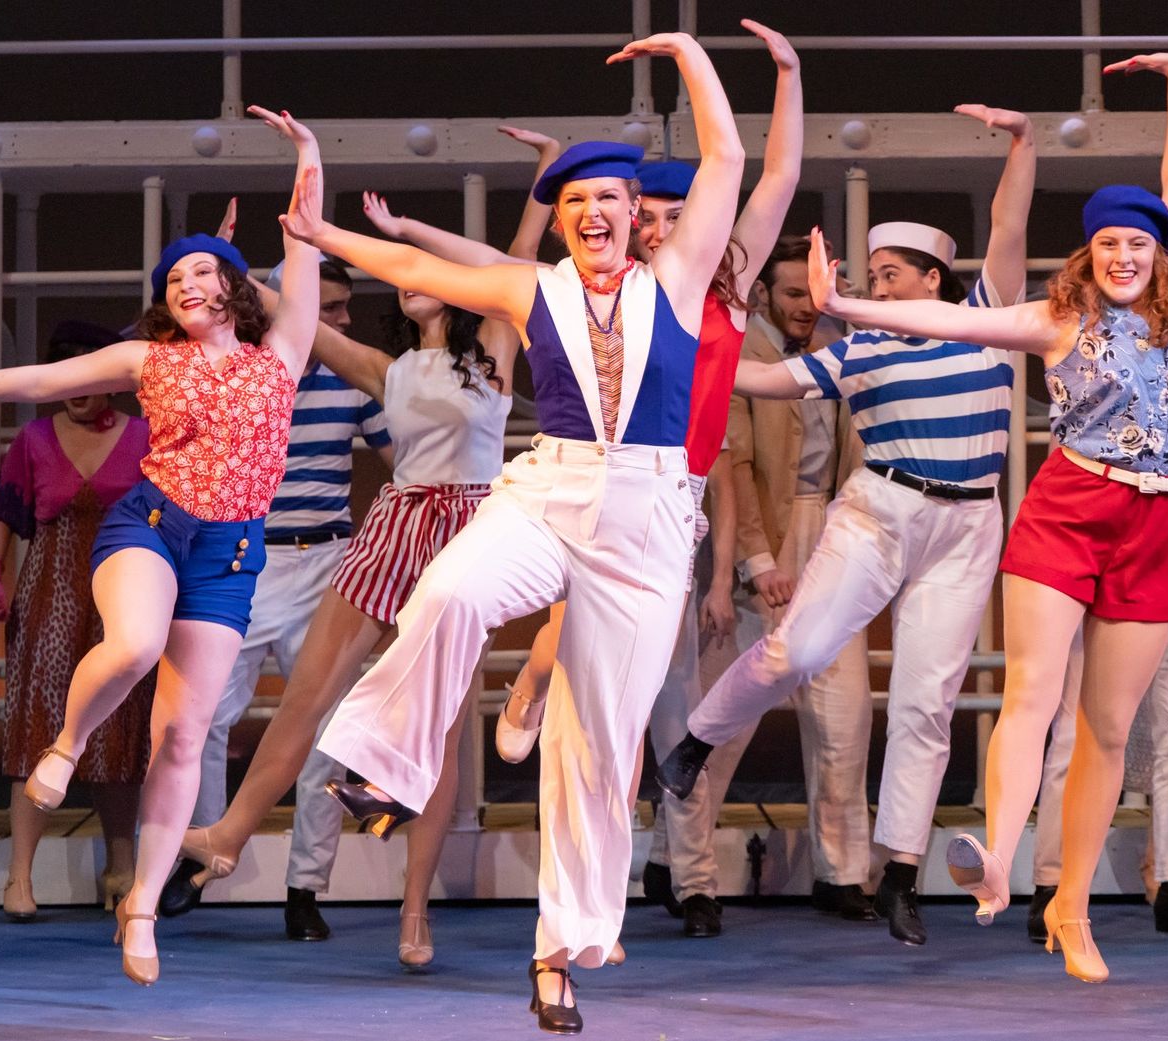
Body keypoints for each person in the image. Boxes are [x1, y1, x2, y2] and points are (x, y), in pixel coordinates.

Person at [297, 30, 742, 1034]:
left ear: (636, 216)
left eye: (608, 199)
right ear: (566, 219)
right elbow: (413, 261)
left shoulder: (677, 280)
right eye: (575, 201)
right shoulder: (531, 287)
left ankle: (557, 957)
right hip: (552, 488)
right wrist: (323, 234)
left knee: (600, 747)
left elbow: (728, 158)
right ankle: (389, 767)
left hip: (649, 515)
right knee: (449, 590)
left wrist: (686, 53)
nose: (591, 213)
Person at [782, 54, 1168, 982]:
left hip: (1157, 527)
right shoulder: (1057, 318)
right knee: (1032, 693)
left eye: (1139, 244)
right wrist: (841, 304)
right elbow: (948, 322)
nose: (1125, 256)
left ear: (1159, 252)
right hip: (1069, 510)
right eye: (1108, 244)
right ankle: (997, 864)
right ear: (1090, 254)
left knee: (1108, 728)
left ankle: (1071, 907)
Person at [0, 106, 321, 985]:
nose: (187, 283)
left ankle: (142, 903)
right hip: (148, 525)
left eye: (203, 270)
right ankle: (67, 744)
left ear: (233, 288)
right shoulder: (149, 360)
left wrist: (306, 151)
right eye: (174, 276)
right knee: (135, 643)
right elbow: (42, 379)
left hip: (230, 555)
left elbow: (303, 243)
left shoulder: (282, 355)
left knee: (183, 736)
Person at [658, 99, 1036, 948]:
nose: (877, 287)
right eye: (871, 275)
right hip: (878, 511)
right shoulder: (861, 347)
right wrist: (685, 351)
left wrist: (1024, 144)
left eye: (891, 274)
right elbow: (766, 383)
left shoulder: (986, 323)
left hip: (968, 523)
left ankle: (899, 872)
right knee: (796, 650)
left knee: (927, 701)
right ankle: (695, 744)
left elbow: (1009, 226)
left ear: (934, 281)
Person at [487, 21, 800, 941]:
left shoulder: (719, 289)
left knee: (635, 712)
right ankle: (533, 685)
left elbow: (776, 176)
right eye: (648, 215)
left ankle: (625, 891)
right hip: (605, 484)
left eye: (673, 214)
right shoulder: (615, 293)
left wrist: (786, 72)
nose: (659, 228)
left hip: (678, 498)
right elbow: (500, 275)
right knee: (589, 675)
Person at [167, 263, 514, 971]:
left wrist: (543, 191)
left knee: (441, 735)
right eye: (403, 275)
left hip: (468, 535)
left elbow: (515, 258)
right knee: (304, 701)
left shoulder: (496, 349)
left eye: (426, 272)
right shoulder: (387, 369)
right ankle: (228, 835)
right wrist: (226, 270)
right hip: (395, 526)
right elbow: (297, 316)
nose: (409, 281)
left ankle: (414, 910)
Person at [164, 257, 391, 945]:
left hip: (327, 562)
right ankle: (199, 855)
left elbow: (408, 458)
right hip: (248, 555)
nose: (341, 320)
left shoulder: (353, 380)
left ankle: (304, 888)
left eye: (345, 307)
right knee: (205, 715)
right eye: (331, 306)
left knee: (324, 733)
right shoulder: (242, 367)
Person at [0, 321, 155, 922]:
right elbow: (2, 512)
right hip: (50, 591)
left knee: (119, 726)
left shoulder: (144, 435)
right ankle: (19, 876)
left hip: (124, 587)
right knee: (38, 725)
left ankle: (121, 867)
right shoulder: (34, 439)